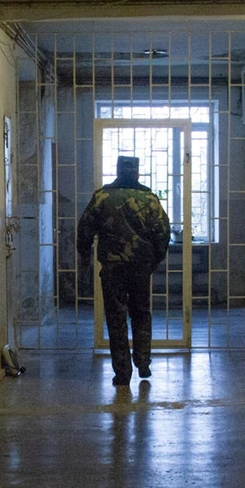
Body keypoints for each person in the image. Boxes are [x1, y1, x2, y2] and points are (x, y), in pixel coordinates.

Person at [78, 156, 171, 386]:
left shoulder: (102, 197)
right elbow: (162, 231)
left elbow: (85, 227)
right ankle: (143, 363)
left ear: (118, 171)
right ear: (137, 173)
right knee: (141, 313)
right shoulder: (149, 198)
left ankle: (122, 372)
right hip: (141, 266)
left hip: (113, 267)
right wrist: (156, 258)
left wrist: (85, 254)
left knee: (116, 317)